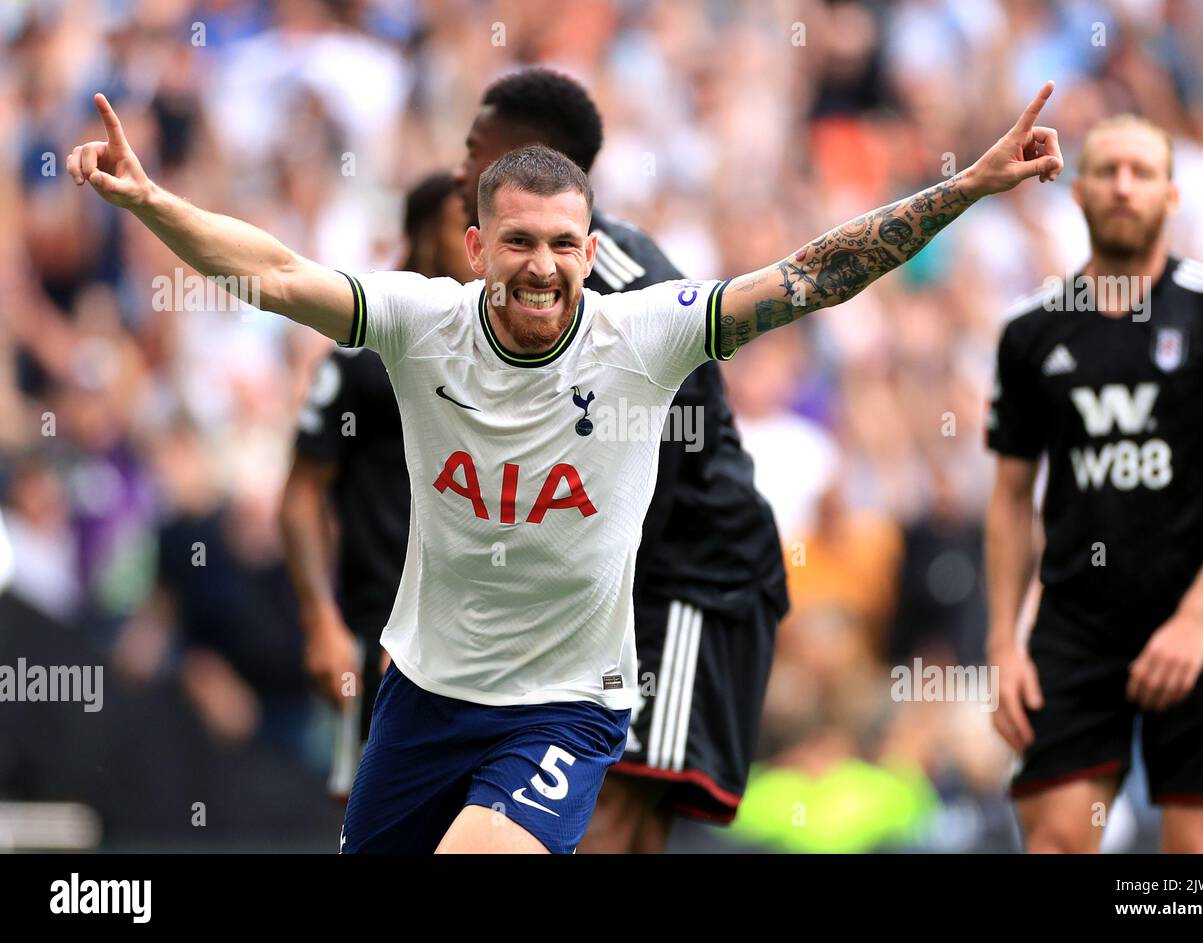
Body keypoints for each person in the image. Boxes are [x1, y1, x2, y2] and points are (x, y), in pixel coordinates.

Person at [68, 83, 1062, 853]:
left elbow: (812, 274)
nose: (540, 266)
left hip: (566, 701)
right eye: (516, 243)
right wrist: (150, 200)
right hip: (426, 690)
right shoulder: (422, 324)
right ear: (474, 245)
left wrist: (967, 187)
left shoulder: (647, 335)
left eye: (560, 245)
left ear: (591, 250)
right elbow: (277, 274)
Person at [454, 68, 789, 851]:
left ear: (532, 161)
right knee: (607, 823)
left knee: (608, 814)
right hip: (613, 587)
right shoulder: (518, 280)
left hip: (688, 582)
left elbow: (650, 488)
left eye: (477, 150)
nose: (462, 168)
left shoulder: (633, 292)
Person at [985, 114, 1203, 853]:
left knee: (1198, 863)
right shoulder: (1030, 332)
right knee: (1055, 840)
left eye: (1142, 171)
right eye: (1108, 170)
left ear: (1172, 195)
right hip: (1072, 631)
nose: (1124, 186)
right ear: (1079, 190)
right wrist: (1002, 639)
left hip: (1200, 625)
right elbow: (1009, 494)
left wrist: (1197, 617)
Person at [279, 173, 474, 800]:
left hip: (478, 637)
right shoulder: (360, 360)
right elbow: (300, 495)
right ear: (422, 234)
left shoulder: (500, 354)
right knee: (379, 816)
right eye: (461, 224)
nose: (480, 244)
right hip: (383, 634)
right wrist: (320, 621)